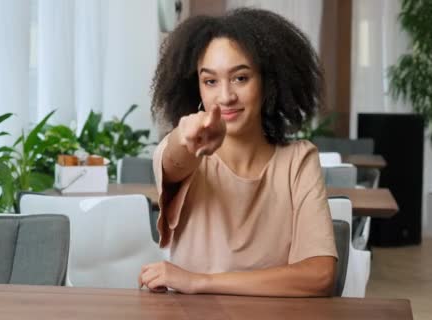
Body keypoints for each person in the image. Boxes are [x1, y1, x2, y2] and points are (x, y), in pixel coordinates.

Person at [138, 8, 337, 297]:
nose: (226, 96)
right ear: (197, 90)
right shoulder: (184, 152)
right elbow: (176, 157)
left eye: (240, 78)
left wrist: (199, 281)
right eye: (210, 81)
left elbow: (320, 276)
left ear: (268, 82)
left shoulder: (299, 160)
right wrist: (186, 135)